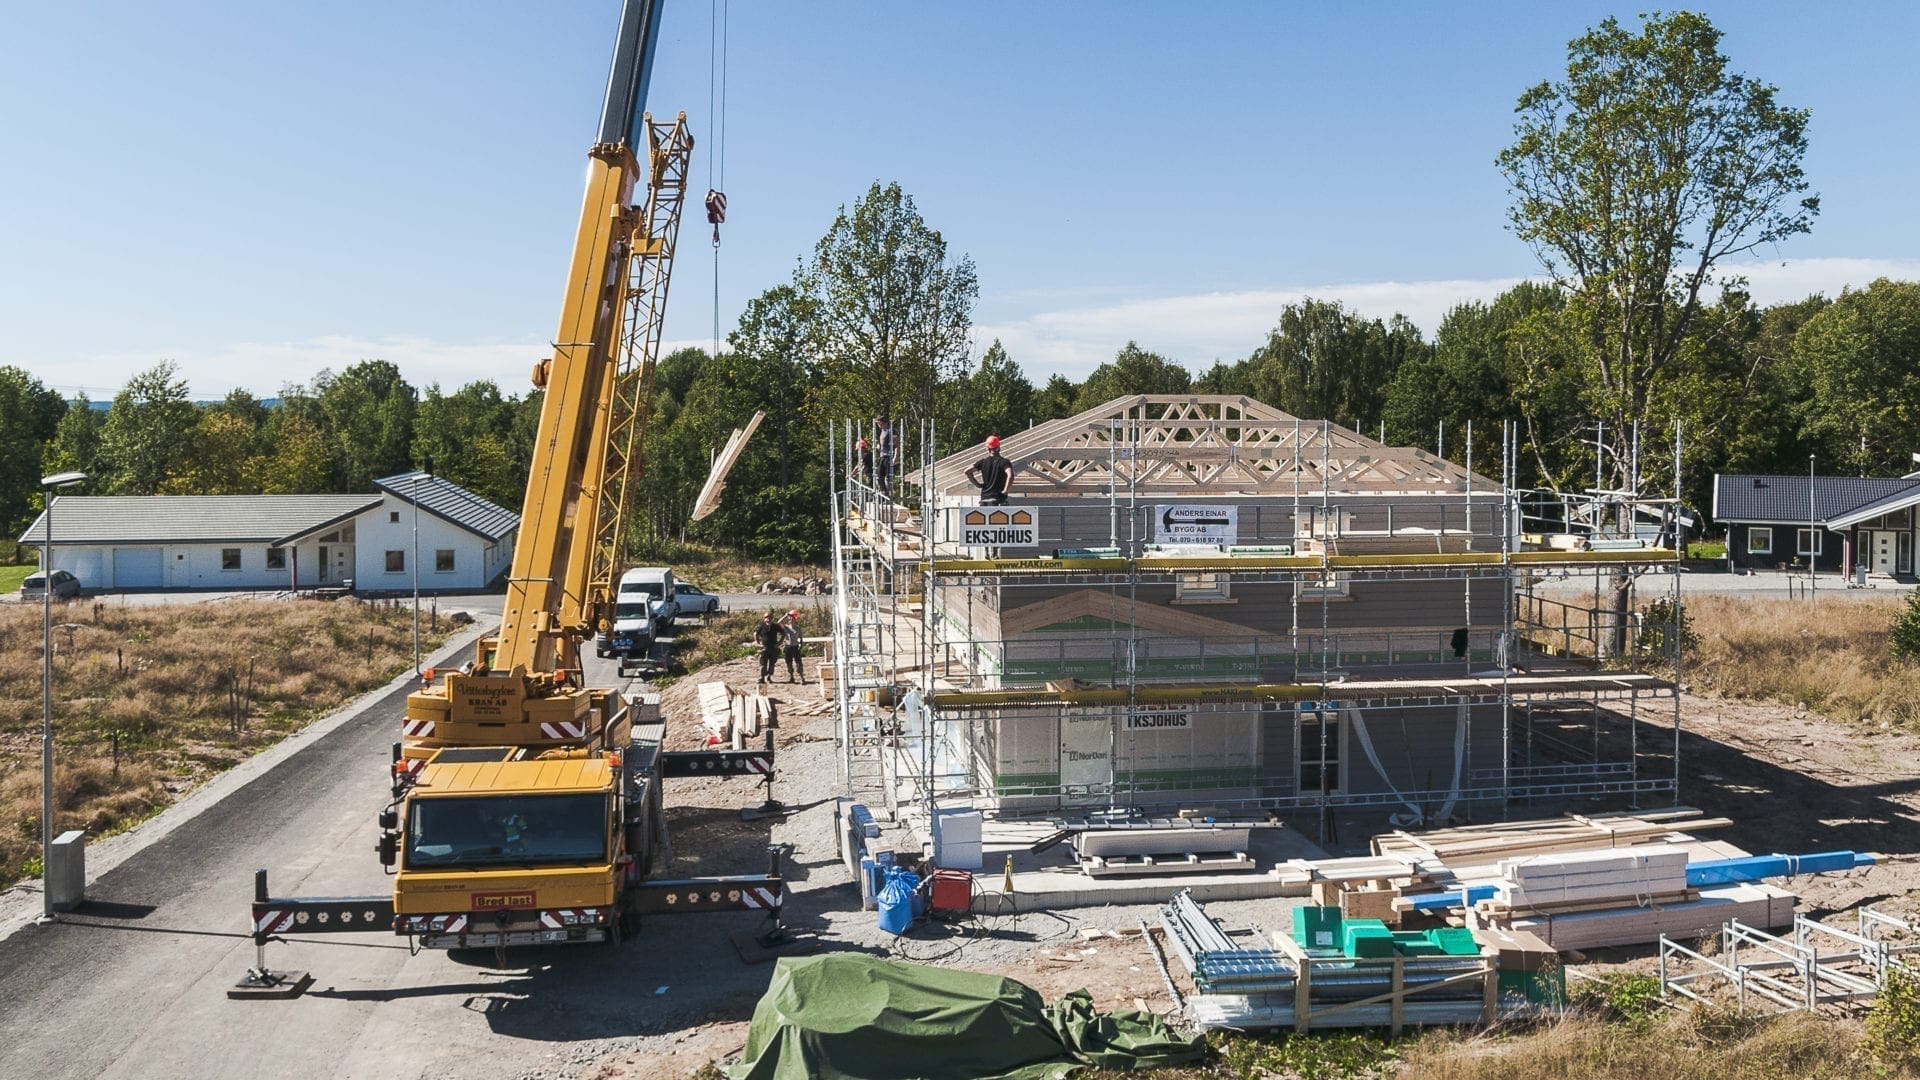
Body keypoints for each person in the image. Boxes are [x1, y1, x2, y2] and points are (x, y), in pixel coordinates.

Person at [966, 434, 1016, 505]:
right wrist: (1005, 490)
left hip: (984, 499)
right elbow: (1010, 475)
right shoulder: (1004, 462)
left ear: (987, 448)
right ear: (999, 448)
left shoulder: (983, 462)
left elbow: (967, 471)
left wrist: (977, 484)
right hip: (998, 499)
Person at [755, 610, 782, 683]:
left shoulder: (775, 626)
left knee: (772, 664)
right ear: (764, 619)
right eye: (766, 618)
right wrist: (758, 642)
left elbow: (783, 633)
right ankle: (762, 678)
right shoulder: (762, 626)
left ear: (772, 618)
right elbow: (756, 634)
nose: (768, 619)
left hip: (773, 648)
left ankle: (769, 677)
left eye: (770, 618)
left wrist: (780, 642)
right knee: (763, 664)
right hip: (765, 648)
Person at [781, 609, 806, 683]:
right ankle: (791, 677)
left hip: (795, 647)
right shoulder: (786, 628)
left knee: (799, 663)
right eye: (790, 618)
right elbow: (779, 622)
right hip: (788, 647)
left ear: (795, 620)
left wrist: (801, 645)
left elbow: (801, 638)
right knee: (789, 663)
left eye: (793, 618)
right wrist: (785, 616)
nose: (791, 620)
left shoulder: (798, 629)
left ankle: (802, 677)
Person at [874, 418, 895, 497]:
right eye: (878, 424)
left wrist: (895, 457)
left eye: (880, 423)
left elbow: (897, 445)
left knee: (888, 477)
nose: (879, 425)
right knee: (879, 476)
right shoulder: (882, 431)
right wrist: (879, 446)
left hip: (888, 456)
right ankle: (884, 492)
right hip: (882, 456)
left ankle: (889, 493)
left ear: (884, 423)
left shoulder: (890, 431)